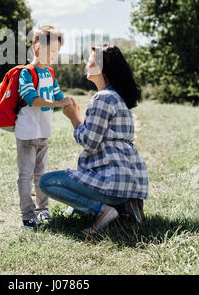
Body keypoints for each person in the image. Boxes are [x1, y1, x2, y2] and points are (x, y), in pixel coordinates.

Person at [39, 43, 149, 234]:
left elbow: (90, 142)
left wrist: (73, 117)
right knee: (74, 183)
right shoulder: (118, 97)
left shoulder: (103, 98)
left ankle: (103, 211)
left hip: (112, 182)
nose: (86, 64)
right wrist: (80, 118)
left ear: (101, 67)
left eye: (90, 61)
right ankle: (126, 206)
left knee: (47, 182)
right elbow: (98, 135)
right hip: (130, 180)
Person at [15, 25, 74, 230]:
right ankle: (27, 216)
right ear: (38, 48)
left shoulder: (50, 73)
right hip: (27, 132)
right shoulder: (27, 72)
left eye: (58, 52)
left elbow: (58, 96)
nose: (56, 56)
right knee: (25, 175)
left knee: (41, 174)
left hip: (43, 132)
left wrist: (68, 103)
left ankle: (43, 210)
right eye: (52, 51)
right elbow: (31, 98)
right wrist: (58, 104)